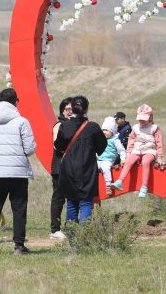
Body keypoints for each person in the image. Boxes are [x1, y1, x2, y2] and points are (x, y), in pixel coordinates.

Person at [0, 88, 36, 255]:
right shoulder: (22, 122)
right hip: (18, 173)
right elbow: (30, 149)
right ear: (16, 101)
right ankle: (19, 246)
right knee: (19, 209)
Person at [55, 95, 107, 223]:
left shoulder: (65, 126)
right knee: (86, 202)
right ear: (86, 109)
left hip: (68, 170)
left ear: (72, 109)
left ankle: (72, 235)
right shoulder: (93, 127)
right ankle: (84, 234)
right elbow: (102, 147)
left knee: (71, 203)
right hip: (87, 169)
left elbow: (58, 146)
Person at [111, 104, 164, 198]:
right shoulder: (135, 128)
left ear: (150, 117)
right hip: (137, 150)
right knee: (129, 161)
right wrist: (128, 153)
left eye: (144, 119)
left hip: (150, 150)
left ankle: (144, 187)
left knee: (145, 162)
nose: (141, 121)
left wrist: (159, 157)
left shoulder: (154, 128)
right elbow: (131, 141)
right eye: (140, 119)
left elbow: (159, 143)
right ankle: (120, 181)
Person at [50, 97, 73, 240]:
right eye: (67, 109)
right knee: (58, 198)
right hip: (59, 166)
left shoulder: (76, 124)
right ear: (62, 111)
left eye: (72, 109)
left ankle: (70, 226)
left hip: (72, 166)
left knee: (72, 197)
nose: (70, 112)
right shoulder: (59, 125)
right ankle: (55, 229)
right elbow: (57, 146)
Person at [98, 116, 127, 197]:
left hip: (108, 160)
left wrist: (123, 159)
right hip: (99, 159)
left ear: (112, 132)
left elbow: (121, 150)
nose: (104, 132)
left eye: (106, 130)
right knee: (90, 166)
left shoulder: (115, 140)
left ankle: (108, 185)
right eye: (103, 130)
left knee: (105, 167)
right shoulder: (101, 139)